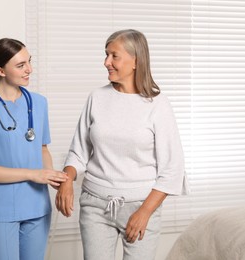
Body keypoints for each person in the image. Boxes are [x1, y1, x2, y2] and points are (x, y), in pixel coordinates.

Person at [55, 29, 189, 260]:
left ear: (136, 60)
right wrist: (67, 180)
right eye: (106, 55)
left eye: (114, 56)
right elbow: (79, 152)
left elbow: (172, 170)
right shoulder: (97, 98)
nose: (106, 62)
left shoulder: (157, 105)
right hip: (95, 204)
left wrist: (145, 212)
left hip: (141, 205)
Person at [0, 38, 68, 260]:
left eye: (29, 62)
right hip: (1, 209)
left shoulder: (39, 104)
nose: (29, 69)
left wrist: (51, 176)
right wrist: (33, 174)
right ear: (0, 70)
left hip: (37, 206)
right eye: (20, 65)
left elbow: (42, 149)